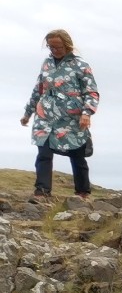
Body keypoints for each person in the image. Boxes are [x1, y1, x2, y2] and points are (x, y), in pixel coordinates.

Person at [19, 29, 99, 200]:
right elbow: (38, 89)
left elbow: (91, 92)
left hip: (71, 118)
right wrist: (27, 113)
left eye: (58, 47)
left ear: (67, 45)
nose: (55, 50)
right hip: (45, 116)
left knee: (77, 155)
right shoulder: (46, 64)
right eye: (51, 47)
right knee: (44, 153)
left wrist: (87, 113)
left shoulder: (81, 65)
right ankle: (42, 191)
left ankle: (82, 191)